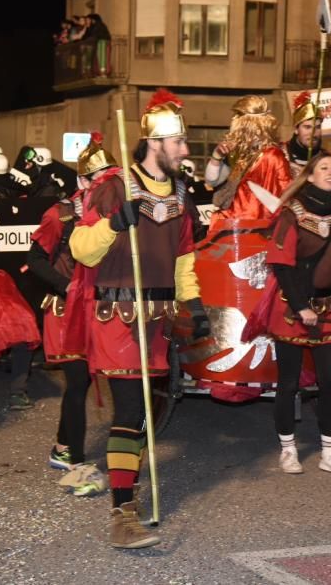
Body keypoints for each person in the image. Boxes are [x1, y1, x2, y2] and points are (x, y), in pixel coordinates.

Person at [69, 89, 210, 549]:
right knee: (131, 410)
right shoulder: (114, 186)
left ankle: (122, 476)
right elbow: (79, 249)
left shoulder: (181, 191)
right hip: (118, 313)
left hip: (159, 317)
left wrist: (193, 303)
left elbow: (184, 256)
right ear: (155, 144)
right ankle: (123, 512)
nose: (185, 151)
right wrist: (113, 224)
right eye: (179, 143)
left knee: (153, 410)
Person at [243, 153, 331, 476]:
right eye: (324, 168)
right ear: (308, 176)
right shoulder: (291, 213)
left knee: (329, 382)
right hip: (292, 309)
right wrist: (301, 306)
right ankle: (288, 449)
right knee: (288, 383)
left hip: (327, 310)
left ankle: (328, 451)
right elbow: (281, 265)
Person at [28, 134, 118, 486]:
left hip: (103, 307)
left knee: (104, 379)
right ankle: (75, 459)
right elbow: (33, 259)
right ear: (82, 182)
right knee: (78, 380)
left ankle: (63, 445)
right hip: (67, 309)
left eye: (113, 178)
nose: (107, 185)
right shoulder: (60, 215)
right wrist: (66, 285)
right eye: (100, 179)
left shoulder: (116, 212)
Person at [205, 95, 292, 221]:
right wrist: (216, 156)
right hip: (232, 224)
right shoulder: (240, 155)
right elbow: (212, 181)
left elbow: (285, 195)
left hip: (257, 228)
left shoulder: (273, 156)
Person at [283, 91, 325, 178]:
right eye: (307, 127)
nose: (313, 133)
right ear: (296, 129)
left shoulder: (327, 159)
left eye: (317, 127)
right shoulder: (280, 156)